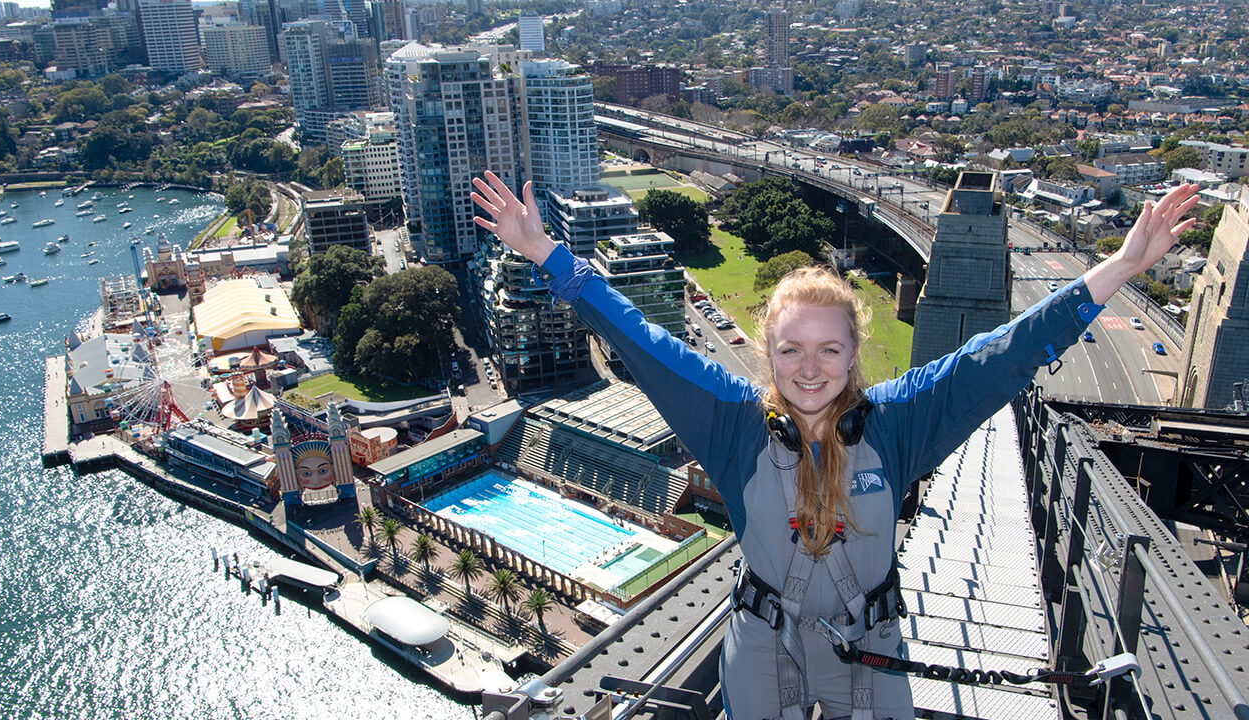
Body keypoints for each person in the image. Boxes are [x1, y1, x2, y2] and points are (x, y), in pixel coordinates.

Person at [472, 171, 1197, 720]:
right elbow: (639, 339)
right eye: (792, 350)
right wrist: (546, 253)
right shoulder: (731, 420)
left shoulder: (896, 422)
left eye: (828, 349)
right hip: (762, 642)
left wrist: (1122, 266)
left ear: (854, 355)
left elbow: (1003, 355)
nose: (810, 368)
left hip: (872, 643)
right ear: (769, 353)